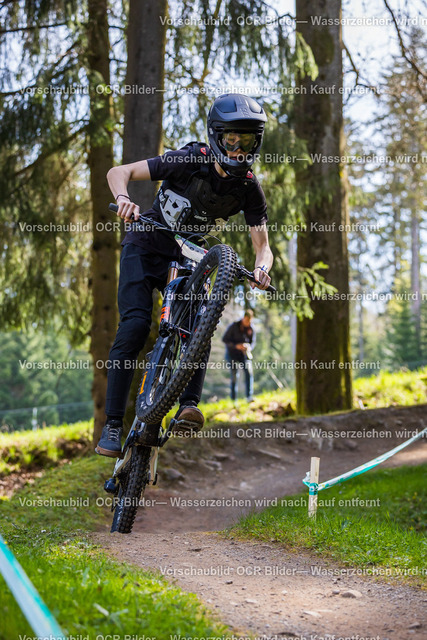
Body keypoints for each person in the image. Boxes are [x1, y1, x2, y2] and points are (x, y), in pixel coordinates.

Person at [95, 93, 273, 457]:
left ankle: (188, 406)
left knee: (199, 323)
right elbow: (118, 172)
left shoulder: (248, 187)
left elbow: (263, 248)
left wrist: (261, 269)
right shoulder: (188, 159)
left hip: (189, 255)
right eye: (231, 140)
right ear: (216, 137)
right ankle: (112, 425)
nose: (239, 150)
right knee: (135, 326)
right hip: (146, 244)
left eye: (247, 142)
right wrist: (124, 198)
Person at [223, 310, 256, 402]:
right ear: (243, 318)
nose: (247, 323)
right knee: (234, 375)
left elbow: (252, 342)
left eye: (249, 321)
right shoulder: (234, 326)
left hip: (244, 355)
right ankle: (233, 399)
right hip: (232, 354)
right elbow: (225, 339)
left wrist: (248, 347)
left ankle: (249, 396)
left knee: (249, 372)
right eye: (246, 320)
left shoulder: (251, 328)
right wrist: (236, 346)